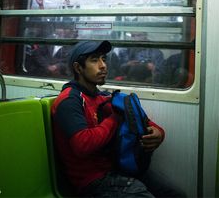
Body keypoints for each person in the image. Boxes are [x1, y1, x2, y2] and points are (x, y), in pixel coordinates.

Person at [51, 40, 186, 197]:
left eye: (103, 59)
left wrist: (158, 133)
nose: (103, 65)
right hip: (93, 180)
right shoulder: (70, 100)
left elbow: (142, 120)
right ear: (78, 68)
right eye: (94, 60)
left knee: (176, 195)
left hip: (119, 167)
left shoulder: (104, 97)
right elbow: (83, 144)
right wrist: (116, 118)